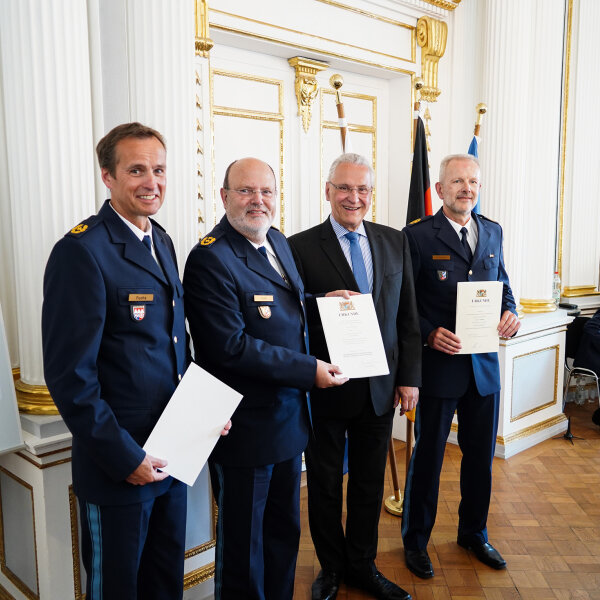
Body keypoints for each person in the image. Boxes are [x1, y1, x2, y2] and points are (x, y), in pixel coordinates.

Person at [42, 122, 215, 599]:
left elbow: (173, 345)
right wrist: (125, 457)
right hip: (120, 463)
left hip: (172, 453)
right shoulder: (82, 251)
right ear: (108, 176)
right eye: (136, 169)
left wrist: (201, 416)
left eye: (159, 169)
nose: (151, 181)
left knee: (164, 583)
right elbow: (70, 377)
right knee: (117, 588)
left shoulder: (161, 239)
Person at [183, 157, 349, 600]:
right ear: (224, 197)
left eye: (267, 192)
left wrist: (321, 302)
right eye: (245, 191)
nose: (258, 201)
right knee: (243, 550)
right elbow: (229, 347)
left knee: (282, 536)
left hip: (289, 423)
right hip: (245, 431)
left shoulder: (276, 240)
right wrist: (309, 371)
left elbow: (282, 308)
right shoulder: (210, 258)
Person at [288, 153, 422, 600]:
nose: (354, 197)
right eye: (344, 188)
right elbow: (290, 313)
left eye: (363, 189)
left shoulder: (393, 241)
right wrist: (319, 299)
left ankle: (362, 565)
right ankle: (331, 568)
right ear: (328, 191)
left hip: (381, 388)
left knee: (368, 484)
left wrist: (410, 378)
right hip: (328, 386)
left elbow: (407, 315)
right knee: (325, 484)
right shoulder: (299, 246)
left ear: (371, 194)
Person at [401, 153, 520, 579]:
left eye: (472, 181)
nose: (466, 189)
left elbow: (503, 285)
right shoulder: (416, 236)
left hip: (484, 368)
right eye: (457, 182)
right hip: (438, 369)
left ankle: (474, 532)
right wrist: (430, 331)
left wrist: (513, 312)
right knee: (429, 459)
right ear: (440, 190)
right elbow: (405, 303)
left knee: (479, 461)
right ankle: (415, 542)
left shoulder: (492, 230)